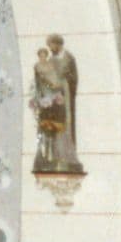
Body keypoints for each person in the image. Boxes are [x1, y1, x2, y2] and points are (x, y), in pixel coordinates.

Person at [45, 34, 79, 168]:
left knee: (66, 124)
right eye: (49, 46)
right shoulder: (50, 60)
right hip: (54, 99)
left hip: (66, 97)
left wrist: (65, 83)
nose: (50, 48)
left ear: (58, 44)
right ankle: (56, 156)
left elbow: (74, 78)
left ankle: (69, 158)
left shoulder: (69, 58)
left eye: (51, 45)